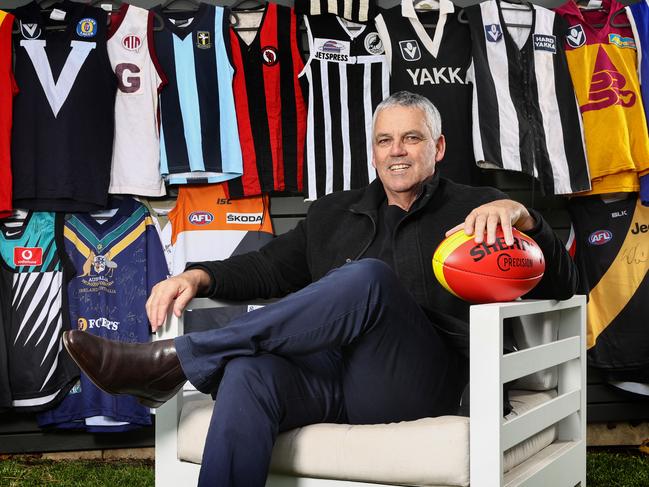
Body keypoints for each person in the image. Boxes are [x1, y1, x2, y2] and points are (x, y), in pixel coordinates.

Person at [63, 91, 578, 486]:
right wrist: (197, 275)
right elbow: (267, 268)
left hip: (427, 381)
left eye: (412, 138)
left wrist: (524, 216)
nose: (396, 151)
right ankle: (191, 362)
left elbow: (565, 281)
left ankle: (176, 358)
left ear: (438, 147)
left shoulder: (481, 209)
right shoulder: (335, 212)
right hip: (331, 377)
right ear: (373, 151)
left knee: (367, 278)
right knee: (248, 372)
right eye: (384, 140)